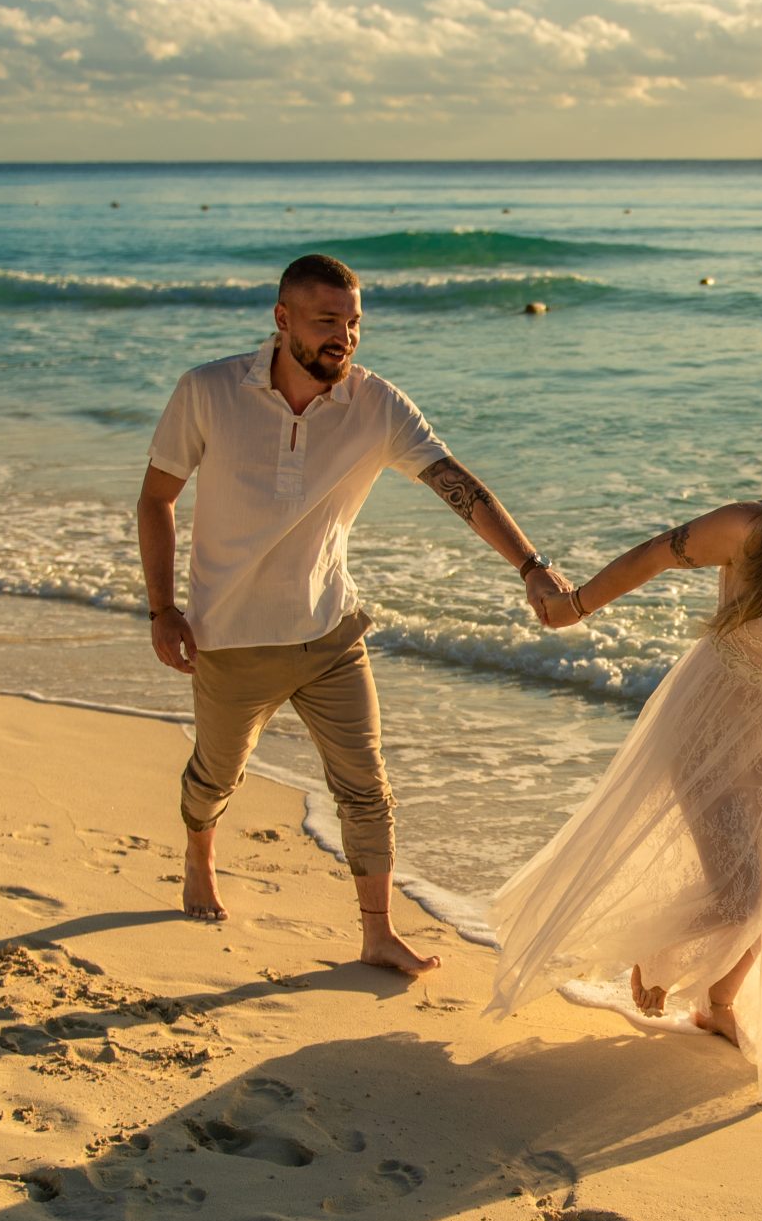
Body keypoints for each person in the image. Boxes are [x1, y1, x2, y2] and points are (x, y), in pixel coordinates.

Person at [137, 253, 571, 973]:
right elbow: (156, 498)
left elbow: (454, 483)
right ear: (282, 321)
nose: (346, 337)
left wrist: (529, 565)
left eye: (355, 323)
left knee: (367, 786)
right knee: (216, 775)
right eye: (328, 321)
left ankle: (377, 929)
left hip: (330, 631)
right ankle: (198, 853)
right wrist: (161, 609)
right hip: (229, 637)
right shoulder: (208, 391)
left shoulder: (377, 405)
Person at [485, 388, 762, 1096]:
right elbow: (657, 553)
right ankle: (653, 953)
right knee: (742, 895)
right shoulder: (751, 532)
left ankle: (719, 1006)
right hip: (709, 726)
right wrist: (573, 606)